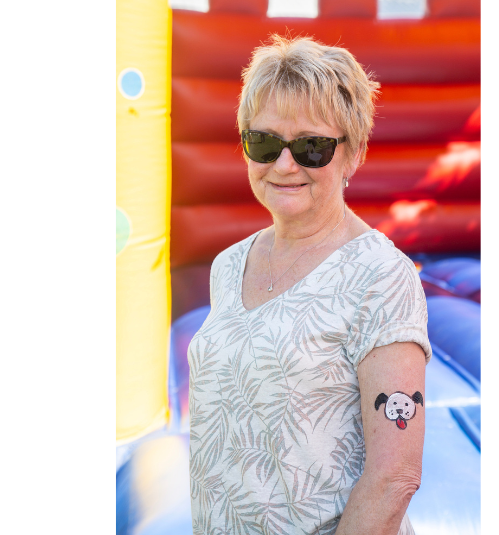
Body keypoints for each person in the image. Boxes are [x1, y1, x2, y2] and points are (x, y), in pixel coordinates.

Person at [187, 35, 431, 535]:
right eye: (264, 142)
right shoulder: (229, 266)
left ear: (352, 152)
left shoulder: (380, 275)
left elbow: (394, 477)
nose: (284, 164)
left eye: (311, 147)